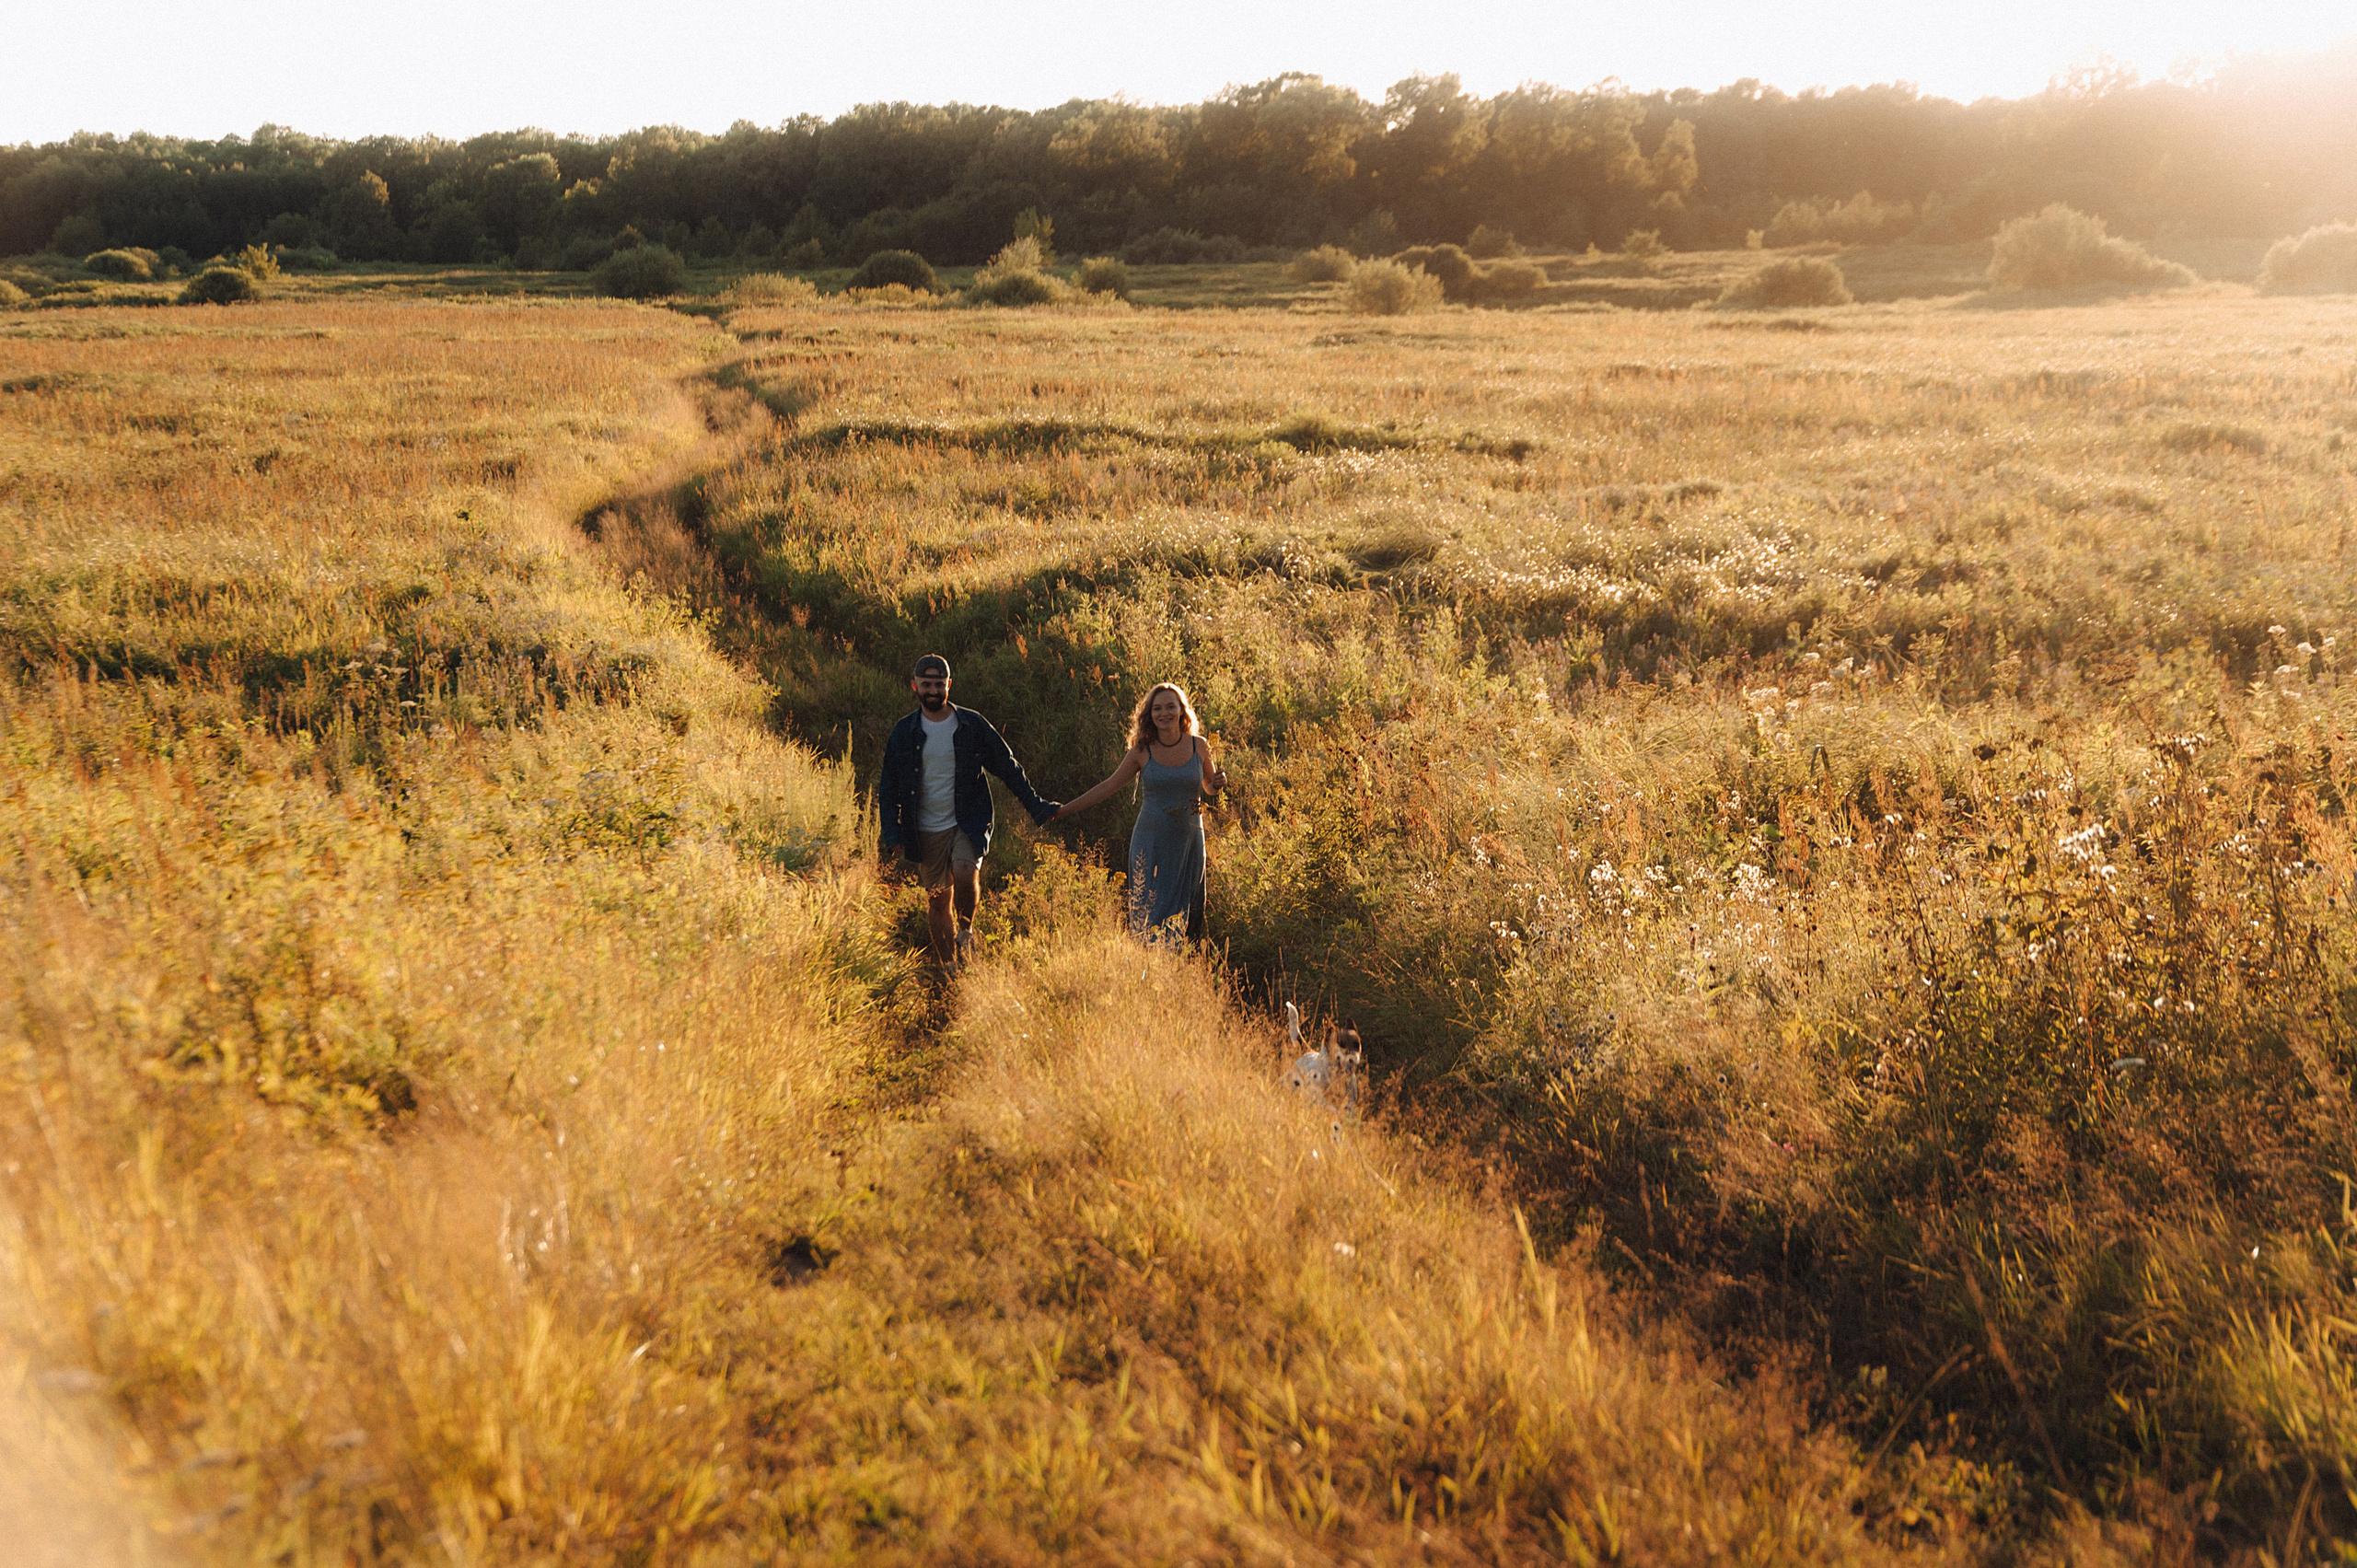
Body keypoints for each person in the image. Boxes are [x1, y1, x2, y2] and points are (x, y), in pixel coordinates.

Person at [877, 654, 1060, 967]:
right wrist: (892, 833)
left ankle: (965, 932)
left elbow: (1008, 767)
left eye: (939, 684)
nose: (933, 691)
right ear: (915, 686)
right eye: (926, 685)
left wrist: (1036, 806)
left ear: (949, 685)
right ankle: (949, 966)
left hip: (968, 819)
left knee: (964, 870)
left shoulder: (971, 725)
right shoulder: (903, 732)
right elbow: (888, 786)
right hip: (925, 828)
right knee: (938, 902)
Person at [1053, 682, 1227, 943]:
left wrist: (1217, 783)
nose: (1164, 713)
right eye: (1157, 708)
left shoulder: (1199, 746)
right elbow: (1108, 787)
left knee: (1188, 918)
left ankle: (1181, 965)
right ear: (1149, 714)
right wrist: (1063, 810)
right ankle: (1147, 963)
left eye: (1170, 707)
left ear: (1182, 710)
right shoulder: (1141, 751)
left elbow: (1208, 787)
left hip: (1188, 843)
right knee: (1151, 915)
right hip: (1151, 841)